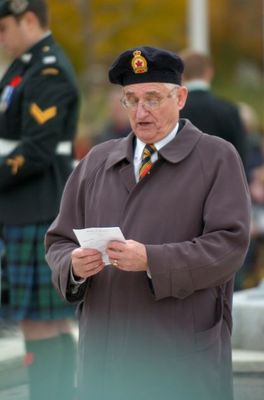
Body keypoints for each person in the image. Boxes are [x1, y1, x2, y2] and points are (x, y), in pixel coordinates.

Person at [45, 46, 251, 400]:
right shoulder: (96, 160)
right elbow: (59, 241)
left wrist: (152, 261)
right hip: (103, 362)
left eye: (153, 99)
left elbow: (229, 246)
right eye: (131, 99)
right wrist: (73, 267)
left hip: (178, 361)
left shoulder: (217, 158)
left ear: (181, 97)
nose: (141, 112)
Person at [0, 1, 79, 399]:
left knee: (42, 322)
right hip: (24, 207)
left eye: (3, 29)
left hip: (36, 206)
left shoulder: (46, 70)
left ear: (28, 20)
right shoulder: (24, 67)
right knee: (49, 321)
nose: (1, 38)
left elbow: (37, 148)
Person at [179, 49, 248, 167]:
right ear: (209, 72)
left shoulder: (175, 110)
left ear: (182, 74)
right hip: (222, 181)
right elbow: (240, 157)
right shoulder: (229, 110)